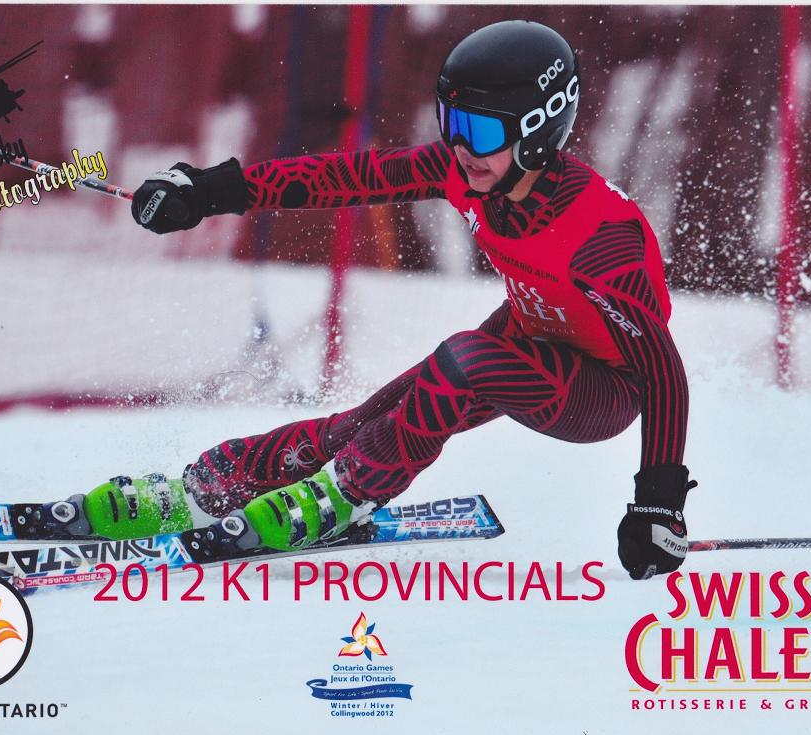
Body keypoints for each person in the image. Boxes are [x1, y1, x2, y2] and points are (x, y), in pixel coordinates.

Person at [82, 20, 696, 580]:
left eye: (481, 131)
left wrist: (658, 505)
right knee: (362, 423)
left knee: (463, 360)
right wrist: (210, 190)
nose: (461, 148)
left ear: (539, 129)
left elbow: (662, 372)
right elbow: (344, 178)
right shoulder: (472, 171)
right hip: (531, 334)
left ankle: (349, 492)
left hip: (603, 388)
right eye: (451, 123)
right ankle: (212, 488)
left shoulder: (600, 236)